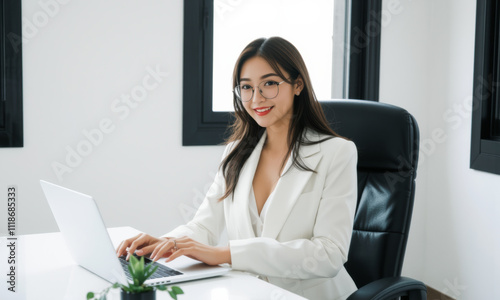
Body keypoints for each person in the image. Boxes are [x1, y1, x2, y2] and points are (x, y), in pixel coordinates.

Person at [116, 37, 358, 299]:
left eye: (269, 84)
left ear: (297, 84)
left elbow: (329, 254)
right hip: (250, 293)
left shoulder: (336, 153)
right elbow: (205, 227)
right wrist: (164, 243)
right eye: (246, 87)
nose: (256, 98)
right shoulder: (237, 152)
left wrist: (227, 254)